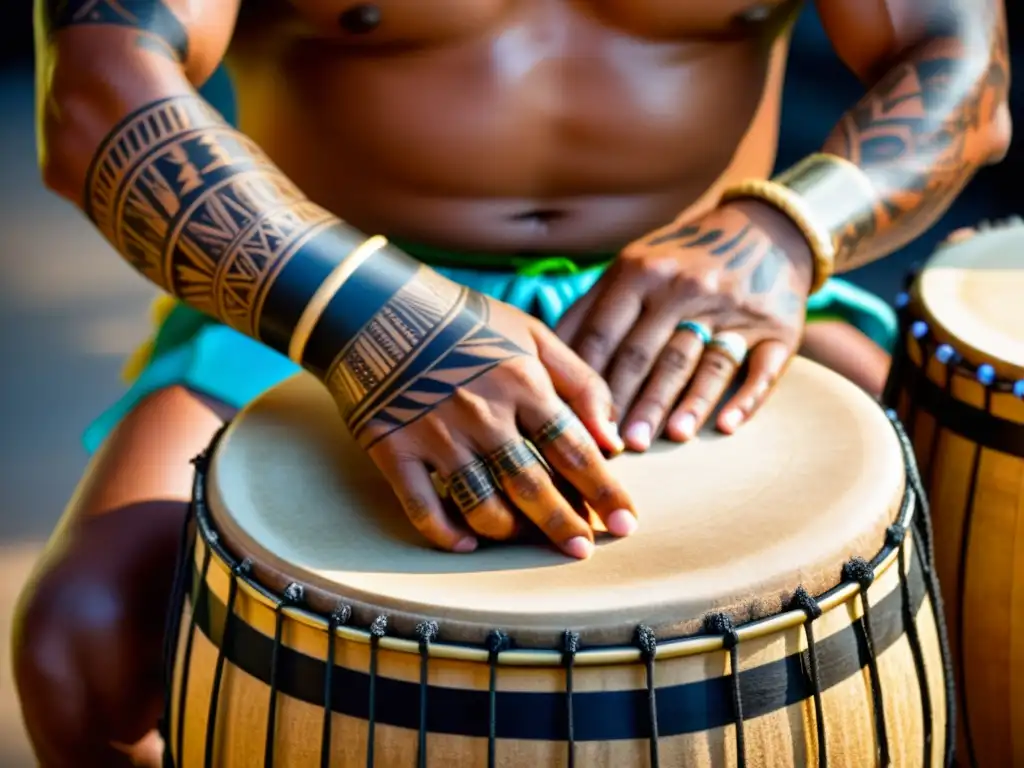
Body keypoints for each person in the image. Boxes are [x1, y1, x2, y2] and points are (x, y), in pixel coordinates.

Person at [15, 0, 1010, 765]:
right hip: (314, 291)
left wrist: (787, 231)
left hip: (712, 284)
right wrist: (375, 323)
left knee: (991, 569)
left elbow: (960, 62)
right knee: (84, 647)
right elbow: (96, 91)